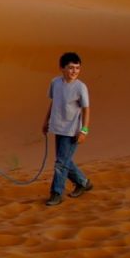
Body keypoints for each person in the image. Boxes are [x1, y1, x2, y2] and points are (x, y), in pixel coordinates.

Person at [42, 51, 92, 206]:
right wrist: (46, 121)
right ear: (61, 68)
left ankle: (56, 193)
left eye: (77, 68)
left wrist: (84, 130)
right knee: (64, 161)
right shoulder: (55, 83)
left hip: (72, 131)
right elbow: (54, 102)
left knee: (60, 163)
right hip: (58, 128)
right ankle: (83, 182)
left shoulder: (80, 87)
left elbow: (86, 109)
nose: (74, 71)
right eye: (71, 68)